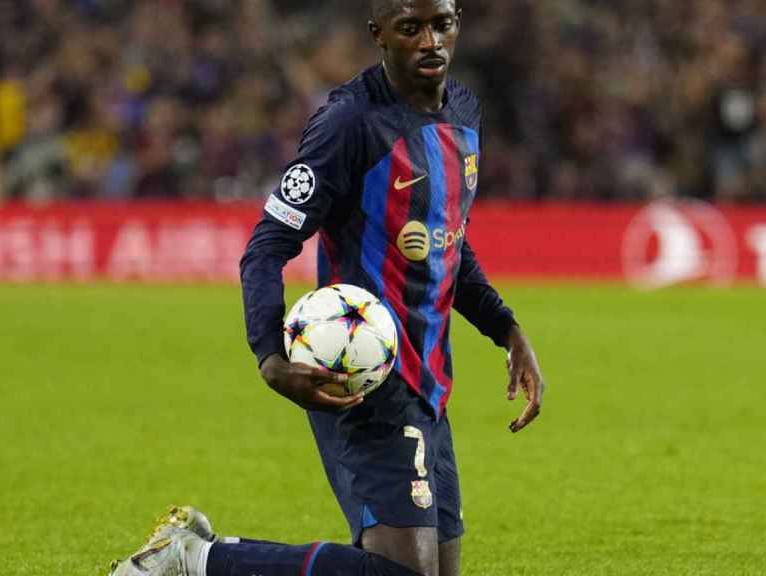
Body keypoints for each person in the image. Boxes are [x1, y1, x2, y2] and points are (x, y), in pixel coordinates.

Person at [109, 1, 546, 574]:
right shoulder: (350, 123)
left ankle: (202, 555)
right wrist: (269, 355)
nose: (430, 42)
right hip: (362, 374)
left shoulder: (464, 111)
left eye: (442, 24)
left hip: (430, 382)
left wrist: (506, 330)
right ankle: (193, 559)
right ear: (379, 35)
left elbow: (449, 241)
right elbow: (267, 245)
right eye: (410, 28)